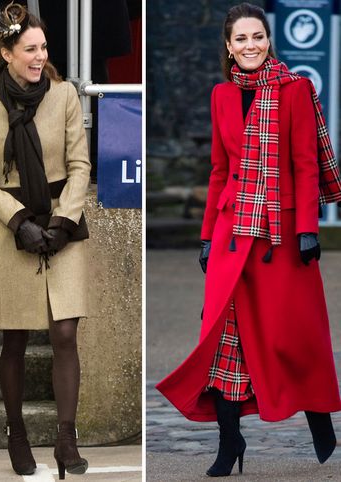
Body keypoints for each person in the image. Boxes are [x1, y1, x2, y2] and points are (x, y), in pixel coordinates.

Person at [156, 2, 341, 477]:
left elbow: (303, 164)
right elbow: (219, 169)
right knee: (221, 335)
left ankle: (319, 417)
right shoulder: (221, 96)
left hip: (280, 234)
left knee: (290, 334)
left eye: (257, 37)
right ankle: (229, 441)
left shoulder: (294, 90)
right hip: (230, 232)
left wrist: (307, 229)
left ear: (268, 40)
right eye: (241, 39)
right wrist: (204, 237)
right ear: (228, 46)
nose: (250, 46)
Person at [0, 3, 91, 479]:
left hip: (65, 220)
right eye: (31, 49)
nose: (40, 56)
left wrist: (61, 222)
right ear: (7, 53)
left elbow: (80, 165)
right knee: (14, 338)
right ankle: (16, 434)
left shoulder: (64, 96)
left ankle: (66, 439)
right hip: (14, 224)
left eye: (44, 48)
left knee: (64, 332)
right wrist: (20, 222)